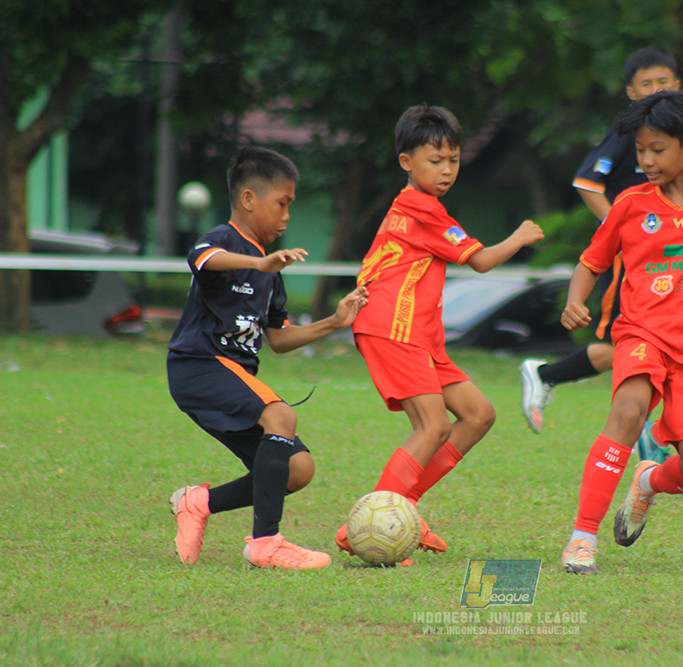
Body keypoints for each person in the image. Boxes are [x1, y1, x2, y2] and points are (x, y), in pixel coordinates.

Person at [336, 105, 544, 565]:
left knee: (478, 414)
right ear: (406, 161)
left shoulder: (420, 206)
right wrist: (519, 236)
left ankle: (402, 506)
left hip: (421, 336)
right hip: (394, 326)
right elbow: (482, 260)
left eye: (453, 159)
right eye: (436, 159)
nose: (447, 169)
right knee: (432, 426)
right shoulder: (421, 206)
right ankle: (368, 524)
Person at [560, 89, 683, 574]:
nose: (645, 160)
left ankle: (647, 482)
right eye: (640, 150)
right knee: (627, 410)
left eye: (657, 149)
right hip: (641, 334)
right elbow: (591, 261)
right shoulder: (629, 204)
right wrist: (574, 301)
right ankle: (583, 537)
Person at [167, 146, 369, 570]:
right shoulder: (225, 242)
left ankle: (198, 502)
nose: (287, 216)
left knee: (297, 469)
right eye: (282, 203)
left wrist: (334, 322)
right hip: (200, 364)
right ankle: (265, 545)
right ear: (248, 200)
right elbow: (200, 259)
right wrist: (258, 263)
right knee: (281, 417)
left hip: (230, 375)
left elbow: (278, 339)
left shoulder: (269, 275)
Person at [519, 47, 682, 434]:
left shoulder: (679, 131)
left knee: (658, 343)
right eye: (647, 84)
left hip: (671, 257)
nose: (656, 90)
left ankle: (549, 377)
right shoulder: (631, 129)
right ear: (631, 91)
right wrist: (622, 227)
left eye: (663, 82)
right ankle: (548, 376)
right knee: (625, 346)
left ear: (677, 85)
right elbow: (587, 181)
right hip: (634, 258)